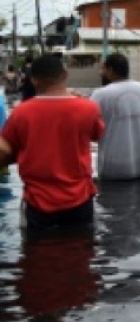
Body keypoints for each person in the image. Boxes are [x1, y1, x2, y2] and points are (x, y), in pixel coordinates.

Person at [0, 55, 104, 230]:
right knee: (81, 251)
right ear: (65, 74)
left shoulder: (21, 113)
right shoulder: (88, 108)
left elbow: (5, 150)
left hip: (38, 203)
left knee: (36, 253)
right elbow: (97, 134)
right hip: (79, 200)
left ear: (34, 80)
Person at [92, 52, 140, 180]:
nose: (100, 73)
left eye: (103, 69)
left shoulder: (100, 94)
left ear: (110, 70)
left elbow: (91, 129)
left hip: (113, 170)